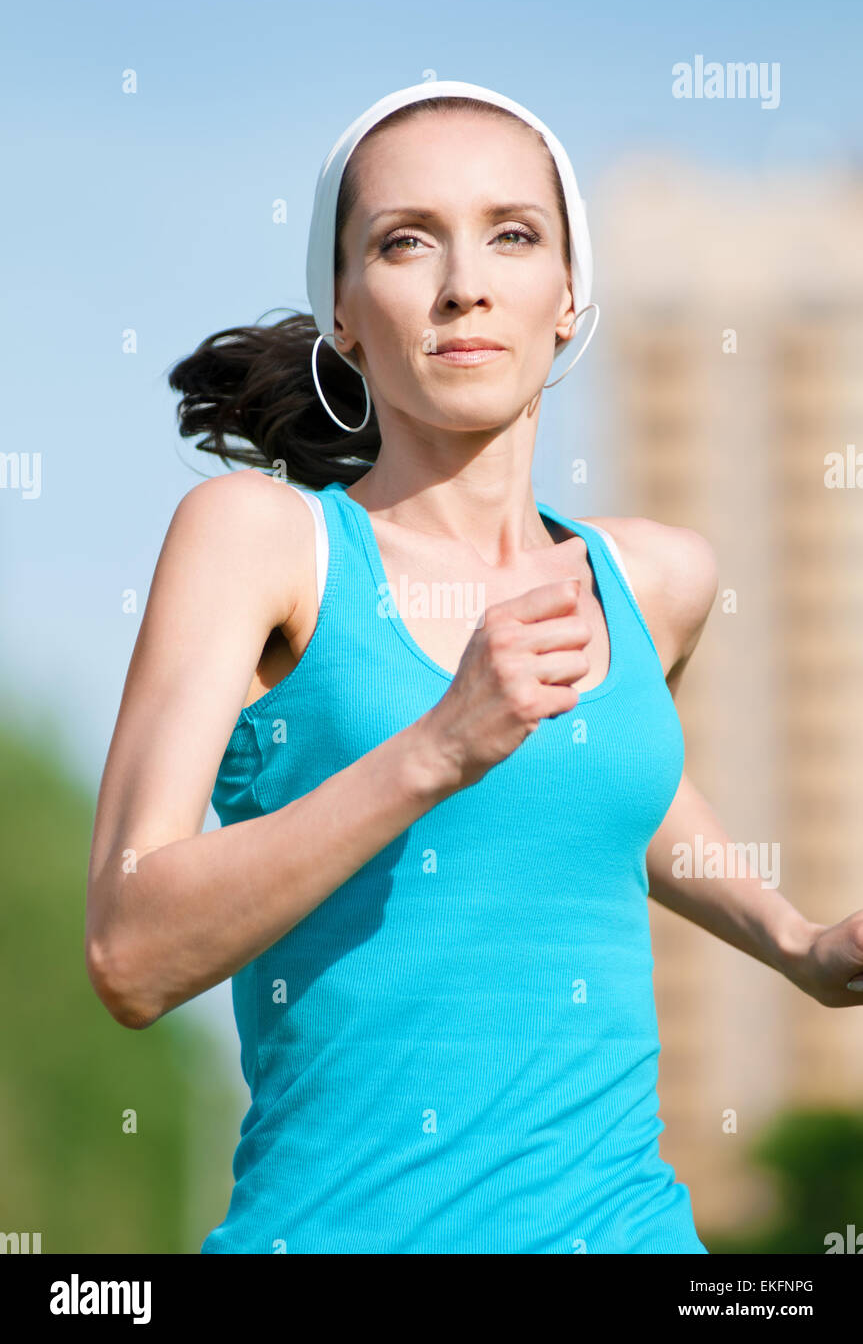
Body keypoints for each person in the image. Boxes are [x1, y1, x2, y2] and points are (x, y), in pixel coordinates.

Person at [85, 80, 863, 1255]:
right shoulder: (262, 542)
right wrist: (438, 745)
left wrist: (798, 944)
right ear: (343, 309)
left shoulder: (653, 578)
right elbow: (130, 952)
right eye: (406, 242)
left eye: (512, 233)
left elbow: (614, 785)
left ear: (568, 297)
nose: (464, 283)